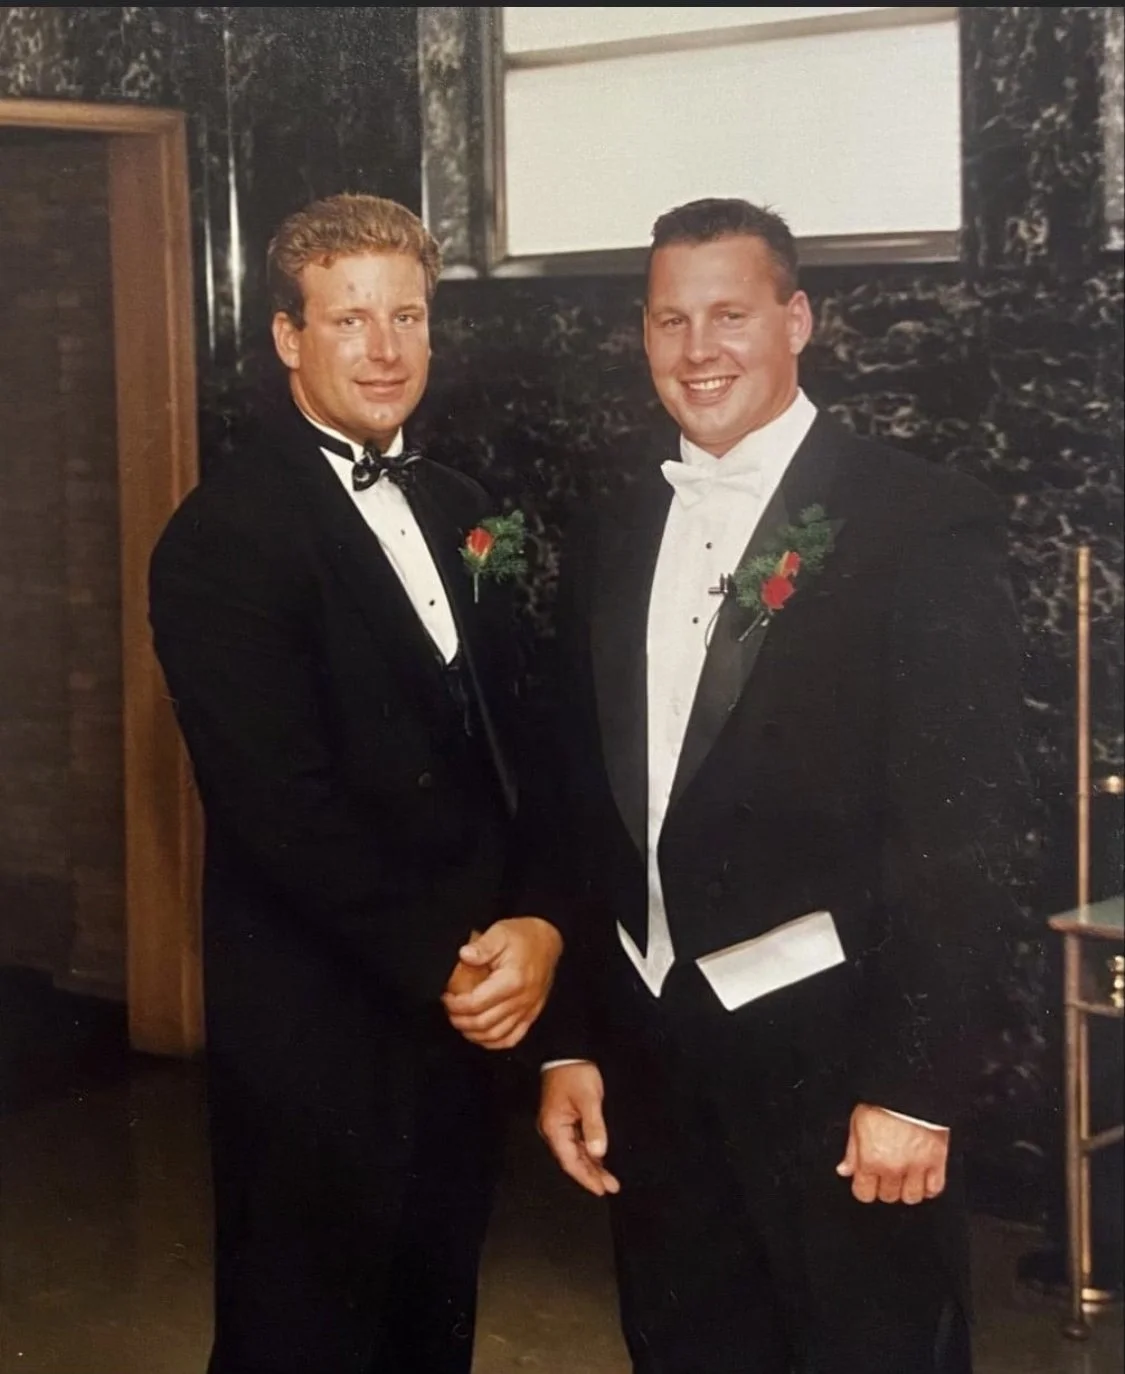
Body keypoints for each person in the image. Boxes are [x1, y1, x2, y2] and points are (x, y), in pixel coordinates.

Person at [536, 198, 1025, 1373]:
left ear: (797, 320)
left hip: (841, 1073)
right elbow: (575, 803)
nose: (697, 349)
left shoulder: (921, 521)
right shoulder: (615, 522)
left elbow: (968, 833)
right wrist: (569, 1043)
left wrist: (916, 1087)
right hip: (652, 1062)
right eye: (670, 320)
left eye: (731, 315)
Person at [149, 193, 562, 1374]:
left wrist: (536, 923)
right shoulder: (223, 534)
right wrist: (447, 961)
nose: (385, 351)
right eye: (349, 320)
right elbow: (281, 807)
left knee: (430, 1328)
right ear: (289, 338)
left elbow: (523, 745)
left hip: (462, 1019)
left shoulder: (464, 506)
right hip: (319, 1030)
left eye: (407, 317)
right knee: (302, 1338)